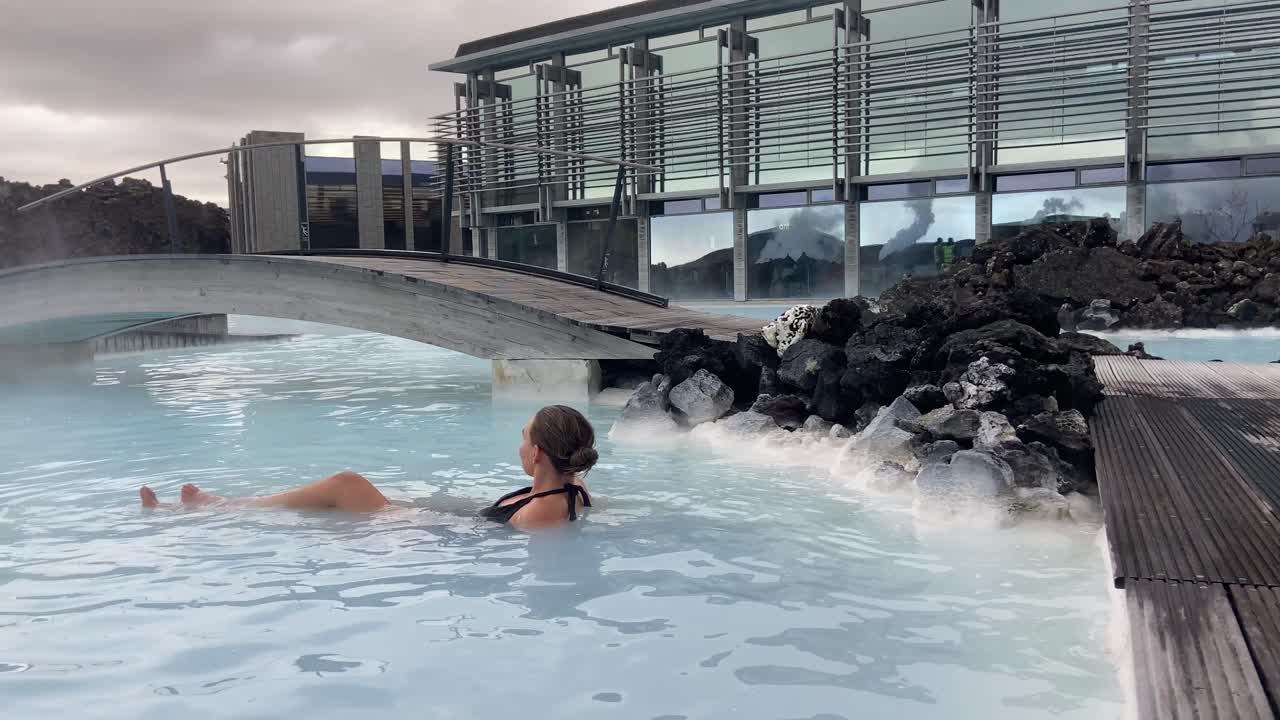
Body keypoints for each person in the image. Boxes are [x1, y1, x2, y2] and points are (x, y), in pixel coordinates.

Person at [139, 405, 596, 530]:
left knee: (345, 483)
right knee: (344, 490)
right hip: (447, 521)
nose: (518, 444)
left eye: (523, 436)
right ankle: (222, 505)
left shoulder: (543, 512)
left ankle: (221, 507)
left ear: (537, 453)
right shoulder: (572, 491)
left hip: (428, 534)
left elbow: (516, 543)